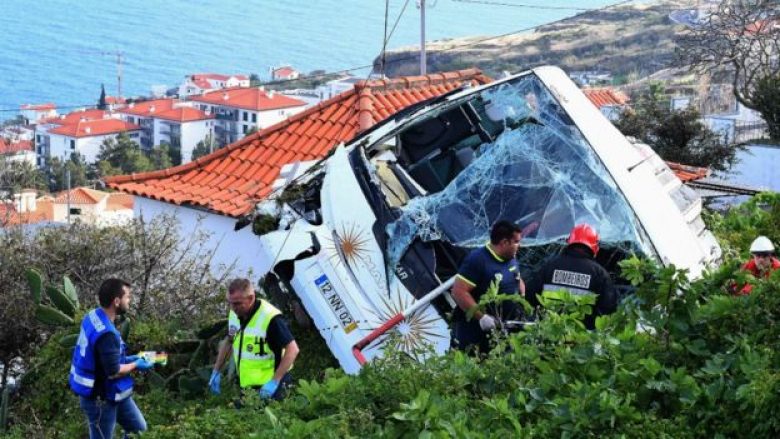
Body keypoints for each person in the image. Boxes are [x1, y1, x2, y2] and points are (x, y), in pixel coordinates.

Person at [69, 278, 154, 439]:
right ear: (116, 301)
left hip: (114, 392)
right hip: (100, 399)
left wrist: (131, 358)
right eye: (127, 297)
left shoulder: (93, 316)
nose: (129, 301)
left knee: (139, 430)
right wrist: (136, 364)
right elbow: (114, 371)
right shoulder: (107, 334)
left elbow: (105, 359)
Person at [208, 278, 299, 400]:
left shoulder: (270, 317)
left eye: (237, 303)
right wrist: (216, 370)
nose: (233, 307)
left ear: (251, 298)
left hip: (272, 385)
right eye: (230, 302)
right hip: (248, 386)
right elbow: (230, 340)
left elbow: (293, 349)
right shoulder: (235, 314)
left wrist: (275, 381)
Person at [451, 220, 526, 353]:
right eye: (516, 242)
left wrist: (520, 290)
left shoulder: (510, 256)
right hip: (475, 333)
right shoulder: (478, 260)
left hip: (502, 331)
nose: (519, 245)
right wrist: (482, 317)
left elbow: (515, 274)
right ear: (504, 242)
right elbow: (459, 292)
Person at [525, 224, 616, 330]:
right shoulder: (600, 274)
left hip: (549, 332)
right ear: (595, 248)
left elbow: (530, 297)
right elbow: (608, 309)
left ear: (569, 242)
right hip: (582, 339)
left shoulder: (549, 266)